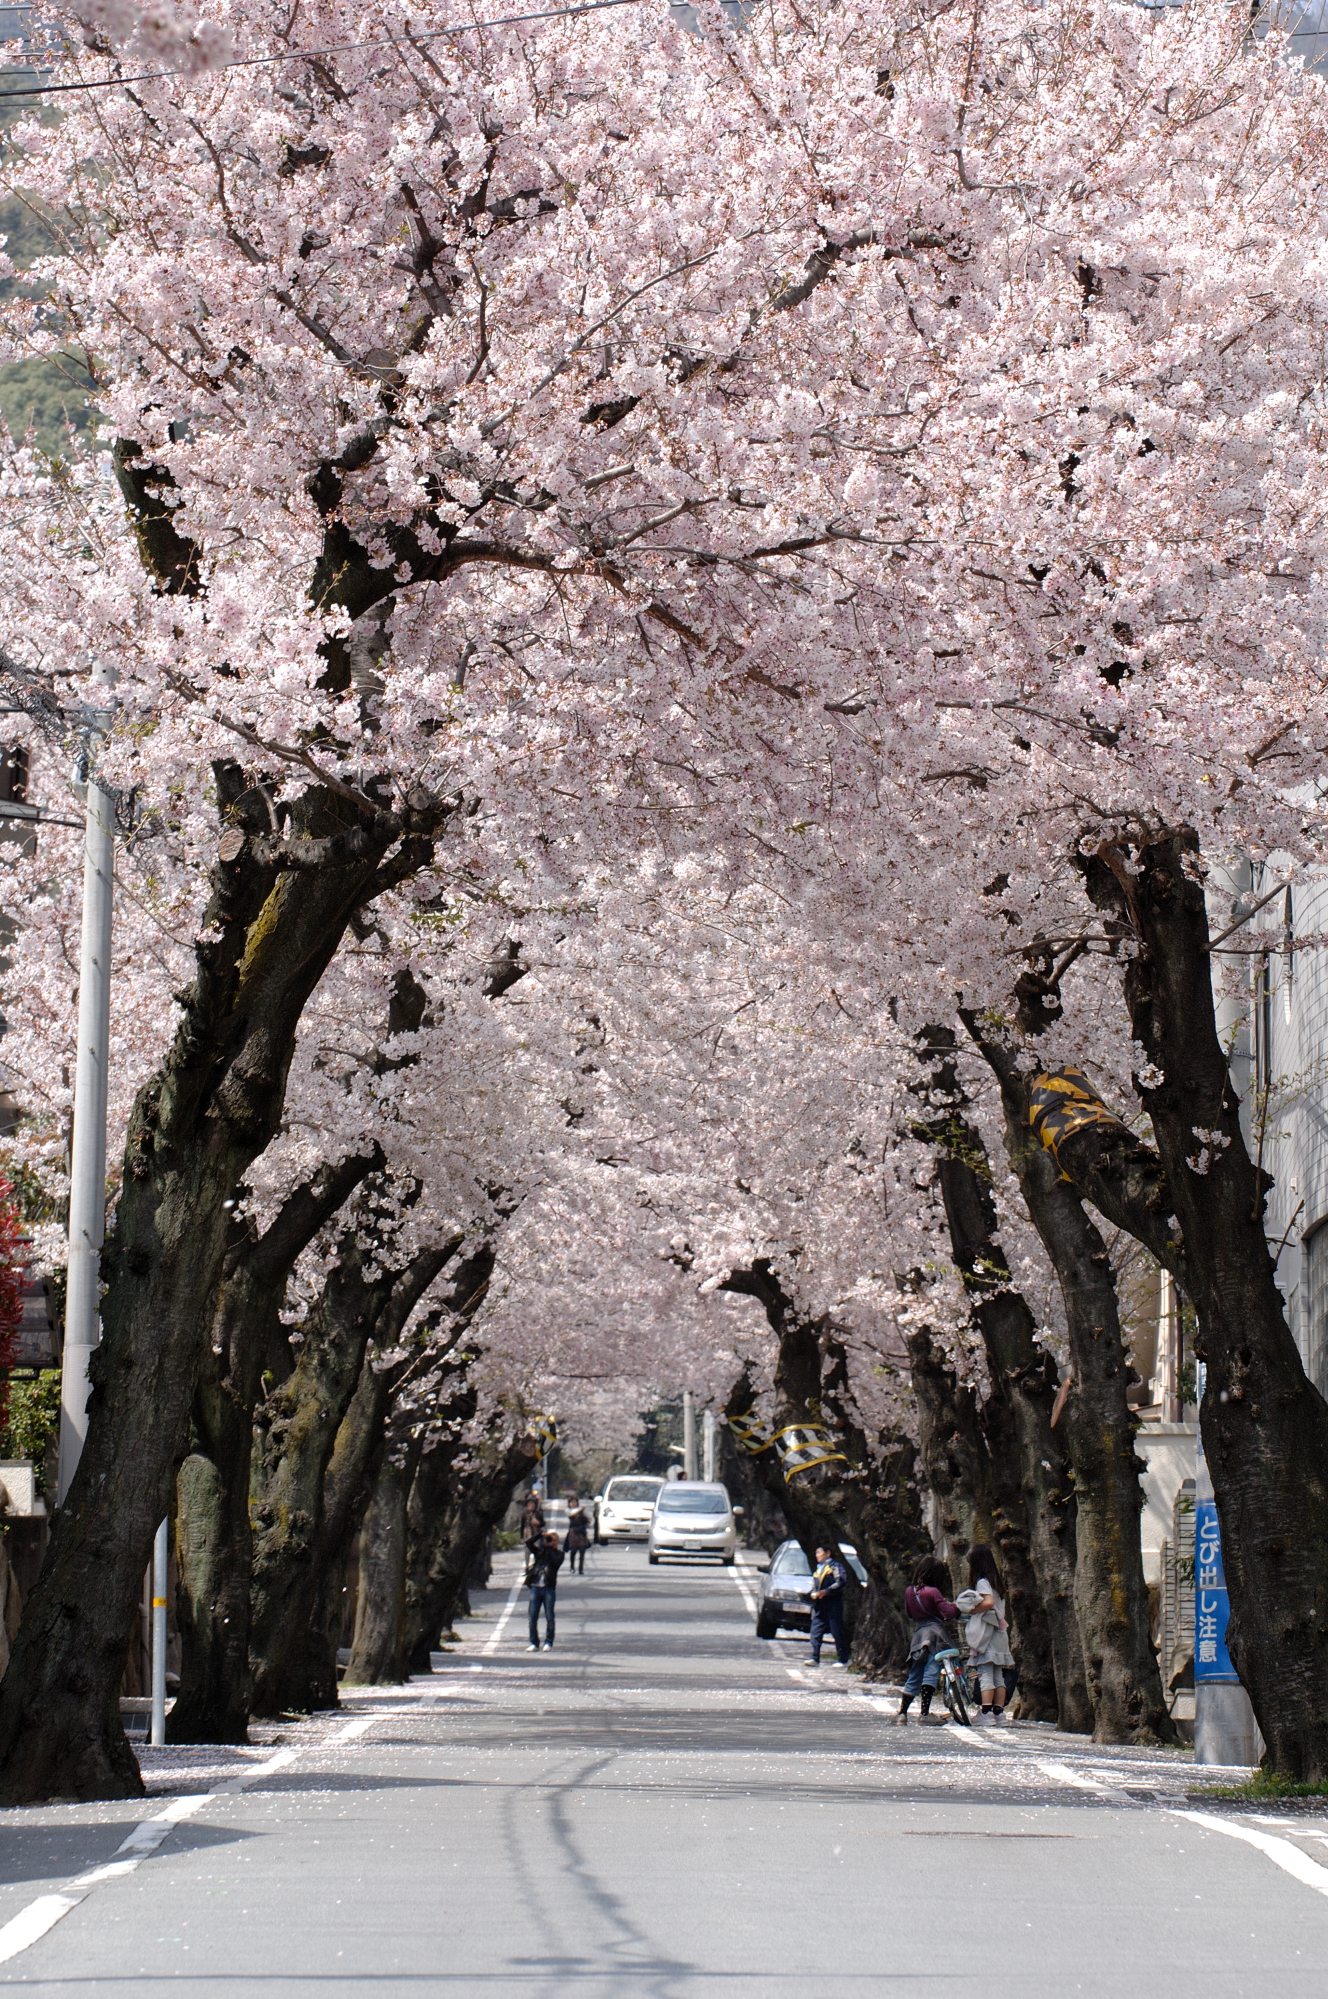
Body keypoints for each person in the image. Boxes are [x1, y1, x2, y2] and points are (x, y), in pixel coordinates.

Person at [896, 1554, 960, 1724]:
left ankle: (902, 1713)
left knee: (915, 1673)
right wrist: (958, 1606)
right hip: (935, 1635)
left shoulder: (909, 1591)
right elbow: (949, 1612)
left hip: (918, 1636)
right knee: (931, 1670)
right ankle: (924, 1714)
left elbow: (909, 1613)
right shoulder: (933, 1592)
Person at [962, 1542, 1015, 1725]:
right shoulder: (997, 1583)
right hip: (1000, 1634)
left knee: (985, 1673)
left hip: (987, 1635)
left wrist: (973, 1610)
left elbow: (989, 1602)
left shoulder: (982, 1582)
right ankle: (999, 1713)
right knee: (998, 1675)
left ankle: (986, 1712)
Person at [808, 1544, 851, 1667]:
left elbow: (841, 1581)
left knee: (836, 1631)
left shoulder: (835, 1567)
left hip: (833, 1603)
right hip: (820, 1604)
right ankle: (814, 1657)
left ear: (828, 1553)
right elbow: (814, 1585)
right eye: (816, 1553)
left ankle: (843, 1659)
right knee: (815, 1631)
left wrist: (827, 1591)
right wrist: (813, 1593)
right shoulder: (818, 1569)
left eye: (819, 1553)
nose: (817, 1556)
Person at [527, 1530, 564, 1651]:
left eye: (551, 1539)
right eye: (547, 1539)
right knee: (532, 1617)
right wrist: (539, 1535)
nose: (548, 1541)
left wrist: (550, 1548)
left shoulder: (559, 1554)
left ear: (556, 1542)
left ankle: (548, 1642)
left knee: (550, 1617)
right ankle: (534, 1642)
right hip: (536, 1587)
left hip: (549, 1588)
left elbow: (555, 1563)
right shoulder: (540, 1552)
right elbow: (528, 1543)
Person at [565, 1499, 590, 1574]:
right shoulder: (568, 1510)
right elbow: (571, 1513)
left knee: (582, 1550)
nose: (573, 1503)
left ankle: (580, 1569)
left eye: (575, 1502)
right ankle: (572, 1566)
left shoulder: (582, 1511)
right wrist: (580, 1509)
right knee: (573, 1550)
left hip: (581, 1531)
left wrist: (587, 1524)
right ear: (569, 1503)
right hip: (573, 1531)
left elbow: (590, 1518)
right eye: (571, 1502)